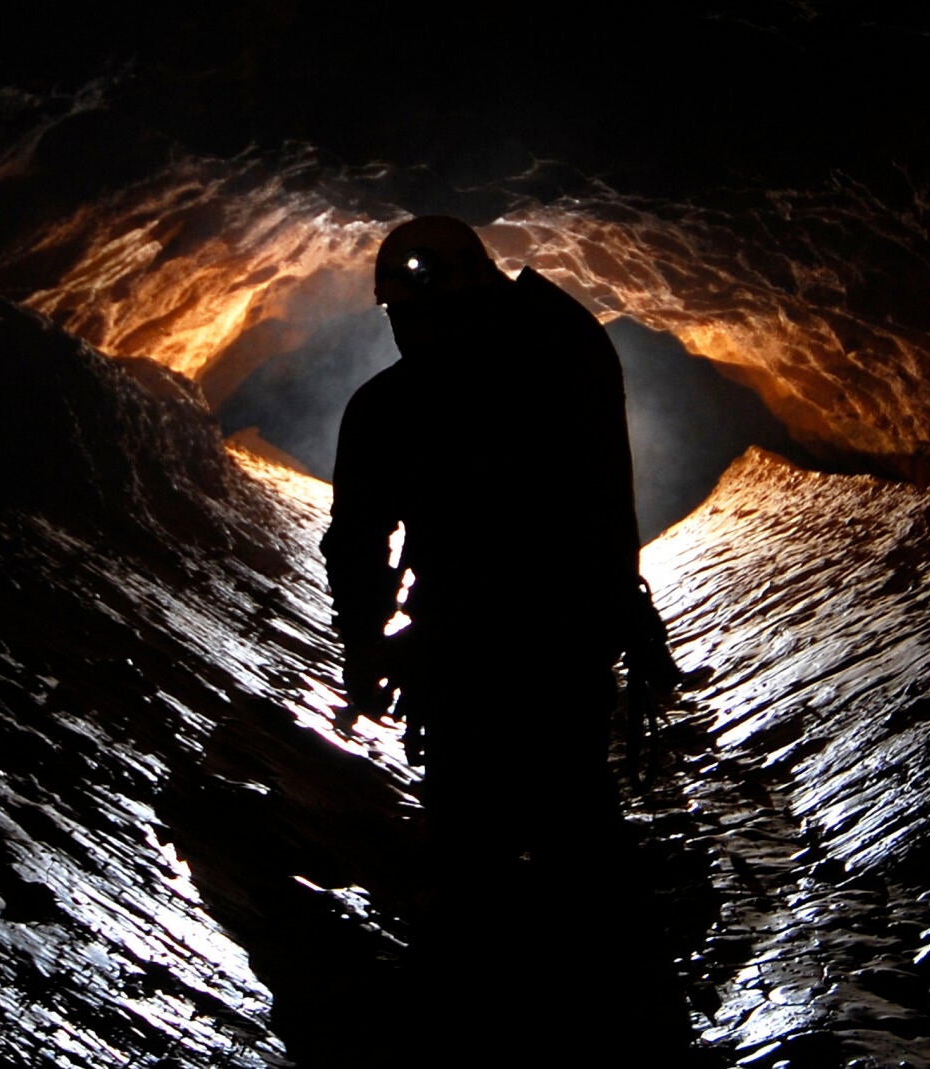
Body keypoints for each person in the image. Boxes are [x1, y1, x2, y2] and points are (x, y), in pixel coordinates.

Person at [321, 215, 690, 1059]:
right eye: (405, 317)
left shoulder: (447, 394)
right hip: (502, 651)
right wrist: (366, 640)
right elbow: (359, 542)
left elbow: (359, 543)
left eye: (420, 312)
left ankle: (549, 1007)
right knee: (534, 834)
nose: (414, 330)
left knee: (529, 835)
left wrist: (368, 643)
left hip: (526, 647)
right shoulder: (546, 365)